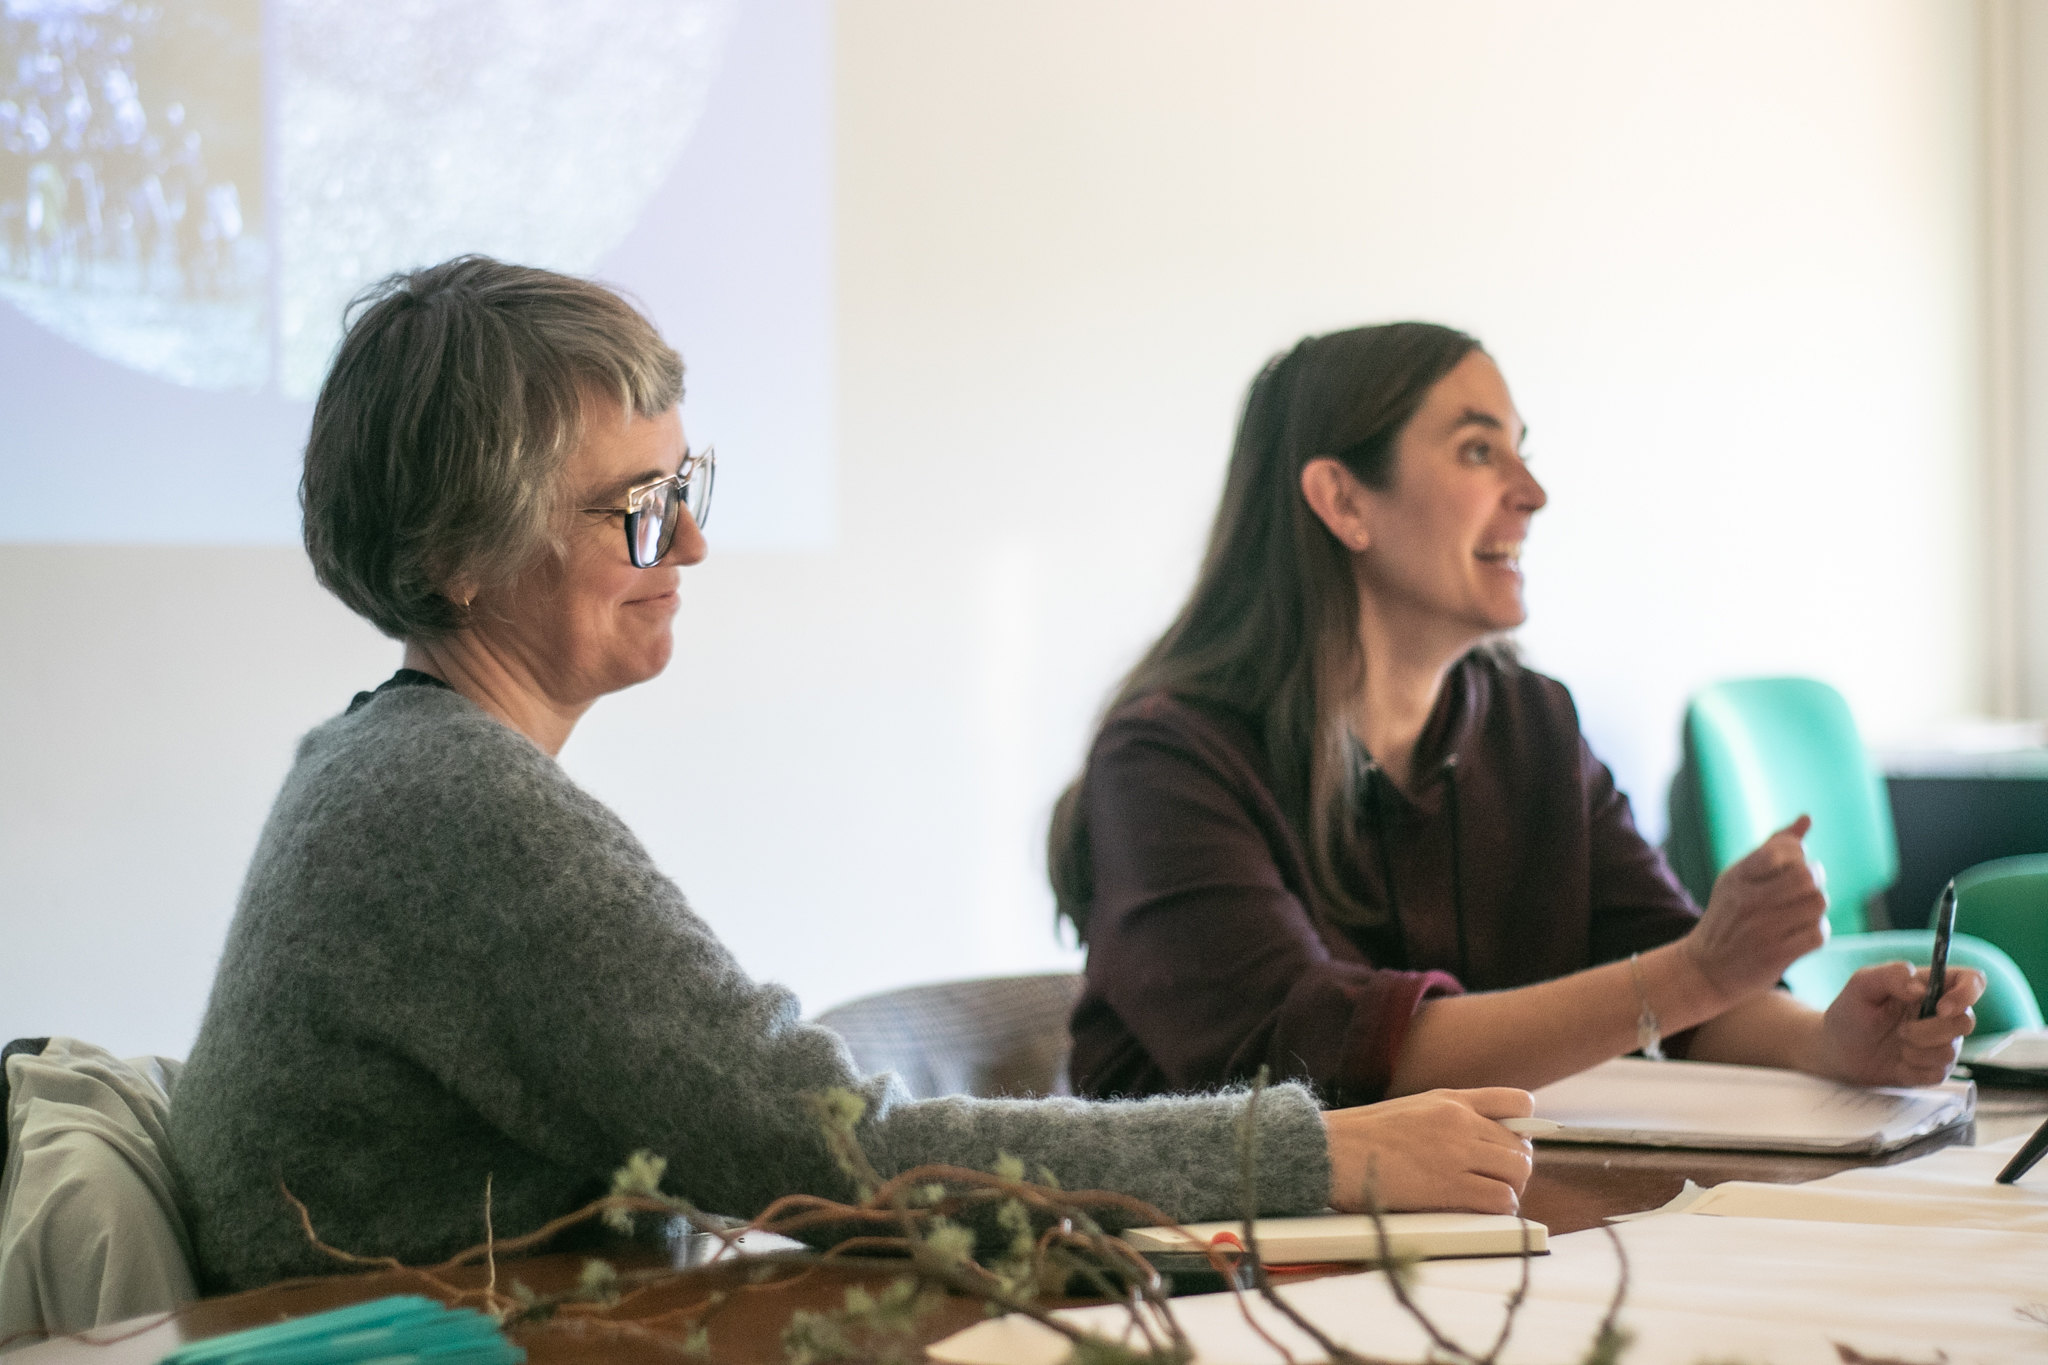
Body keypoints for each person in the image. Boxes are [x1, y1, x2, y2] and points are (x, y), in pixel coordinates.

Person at [167, 262, 1537, 1294]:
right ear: (460, 552)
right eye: (638, 505)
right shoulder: (445, 805)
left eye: (688, 481)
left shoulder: (397, 766)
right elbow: (836, 1153)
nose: (691, 544)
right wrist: (1323, 1153)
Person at [1049, 323, 1984, 1107]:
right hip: (1201, 1283)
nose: (1532, 493)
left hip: (1478, 1245)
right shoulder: (1166, 762)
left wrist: (1832, 1043)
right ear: (1342, 500)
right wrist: (1701, 967)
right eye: (1477, 450)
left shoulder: (1531, 724)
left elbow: (1678, 979)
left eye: (1521, 449)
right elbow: (1319, 1066)